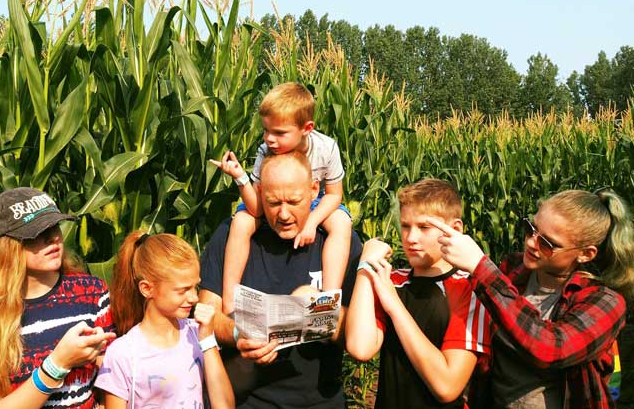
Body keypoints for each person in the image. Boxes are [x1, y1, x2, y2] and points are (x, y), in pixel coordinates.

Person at [430, 188, 634, 409]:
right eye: (531, 228)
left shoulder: (605, 302)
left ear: (585, 254)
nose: (531, 243)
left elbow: (551, 348)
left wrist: (481, 267)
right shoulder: (513, 271)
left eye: (548, 243)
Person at [200, 151, 363, 408]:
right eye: (273, 203)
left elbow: (360, 336)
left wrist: (316, 309)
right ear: (259, 192)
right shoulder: (232, 235)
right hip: (247, 401)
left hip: (320, 402)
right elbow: (207, 315)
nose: (284, 214)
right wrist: (238, 333)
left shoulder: (339, 243)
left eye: (293, 201)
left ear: (313, 190)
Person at [0, 187, 115, 409]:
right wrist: (56, 365)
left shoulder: (92, 293)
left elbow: (112, 382)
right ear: (6, 248)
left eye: (54, 226)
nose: (52, 238)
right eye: (35, 233)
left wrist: (103, 359)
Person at [346, 178, 491, 408]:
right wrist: (365, 266)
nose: (411, 238)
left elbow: (446, 386)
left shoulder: (471, 290)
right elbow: (360, 347)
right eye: (405, 225)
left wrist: (394, 307)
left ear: (454, 230)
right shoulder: (391, 280)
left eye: (424, 227)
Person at [210, 82, 352, 314]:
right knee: (241, 222)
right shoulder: (265, 151)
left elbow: (335, 195)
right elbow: (256, 208)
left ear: (306, 128)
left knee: (341, 222)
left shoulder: (326, 148)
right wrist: (240, 178)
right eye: (266, 130)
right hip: (269, 202)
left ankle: (327, 301)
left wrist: (312, 221)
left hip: (312, 203)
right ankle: (230, 303)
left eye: (279, 133)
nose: (269, 139)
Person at [95, 231, 234, 409]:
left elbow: (224, 405)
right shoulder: (124, 353)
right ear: (147, 289)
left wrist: (207, 340)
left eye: (195, 287)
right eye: (182, 290)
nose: (194, 298)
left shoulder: (196, 335)